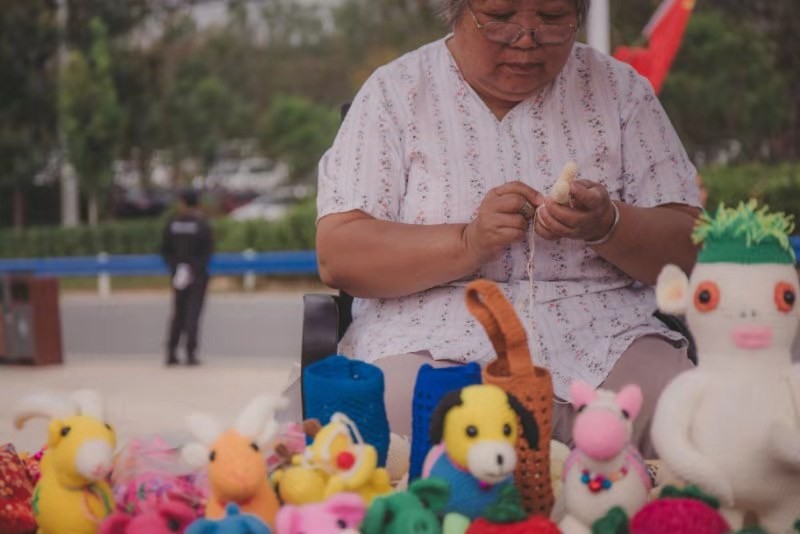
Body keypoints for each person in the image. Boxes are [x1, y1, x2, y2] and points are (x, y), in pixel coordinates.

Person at [315, 0, 702, 458]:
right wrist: (467, 242)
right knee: (395, 420)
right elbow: (338, 253)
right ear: (455, 11)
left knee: (694, 420)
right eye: (500, 18)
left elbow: (690, 247)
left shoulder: (619, 92)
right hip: (431, 341)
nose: (527, 37)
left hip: (606, 340)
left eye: (553, 19)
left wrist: (610, 224)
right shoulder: (395, 94)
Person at [160, 189, 214, 366]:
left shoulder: (172, 224)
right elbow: (207, 252)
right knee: (193, 314)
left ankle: (171, 353)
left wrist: (175, 268)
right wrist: (194, 269)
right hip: (197, 276)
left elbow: (165, 249)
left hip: (178, 275)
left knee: (178, 314)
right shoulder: (202, 225)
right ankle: (190, 354)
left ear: (183, 202)